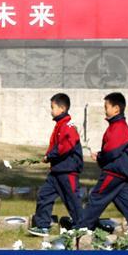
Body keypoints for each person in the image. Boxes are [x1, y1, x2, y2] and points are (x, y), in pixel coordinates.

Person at [76, 92, 128, 231]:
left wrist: (101, 157)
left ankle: (81, 228)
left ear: (116, 109)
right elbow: (112, 150)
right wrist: (101, 155)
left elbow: (112, 151)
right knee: (125, 204)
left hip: (114, 173)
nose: (105, 109)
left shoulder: (119, 126)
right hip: (120, 173)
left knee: (96, 197)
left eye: (106, 107)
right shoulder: (116, 126)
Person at [28, 93, 84, 237]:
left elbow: (66, 145)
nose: (51, 110)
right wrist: (48, 156)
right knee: (44, 195)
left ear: (62, 108)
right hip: (57, 171)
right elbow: (55, 144)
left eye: (53, 107)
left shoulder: (69, 125)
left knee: (72, 199)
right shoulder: (59, 125)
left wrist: (50, 156)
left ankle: (82, 227)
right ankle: (42, 226)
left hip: (68, 170)